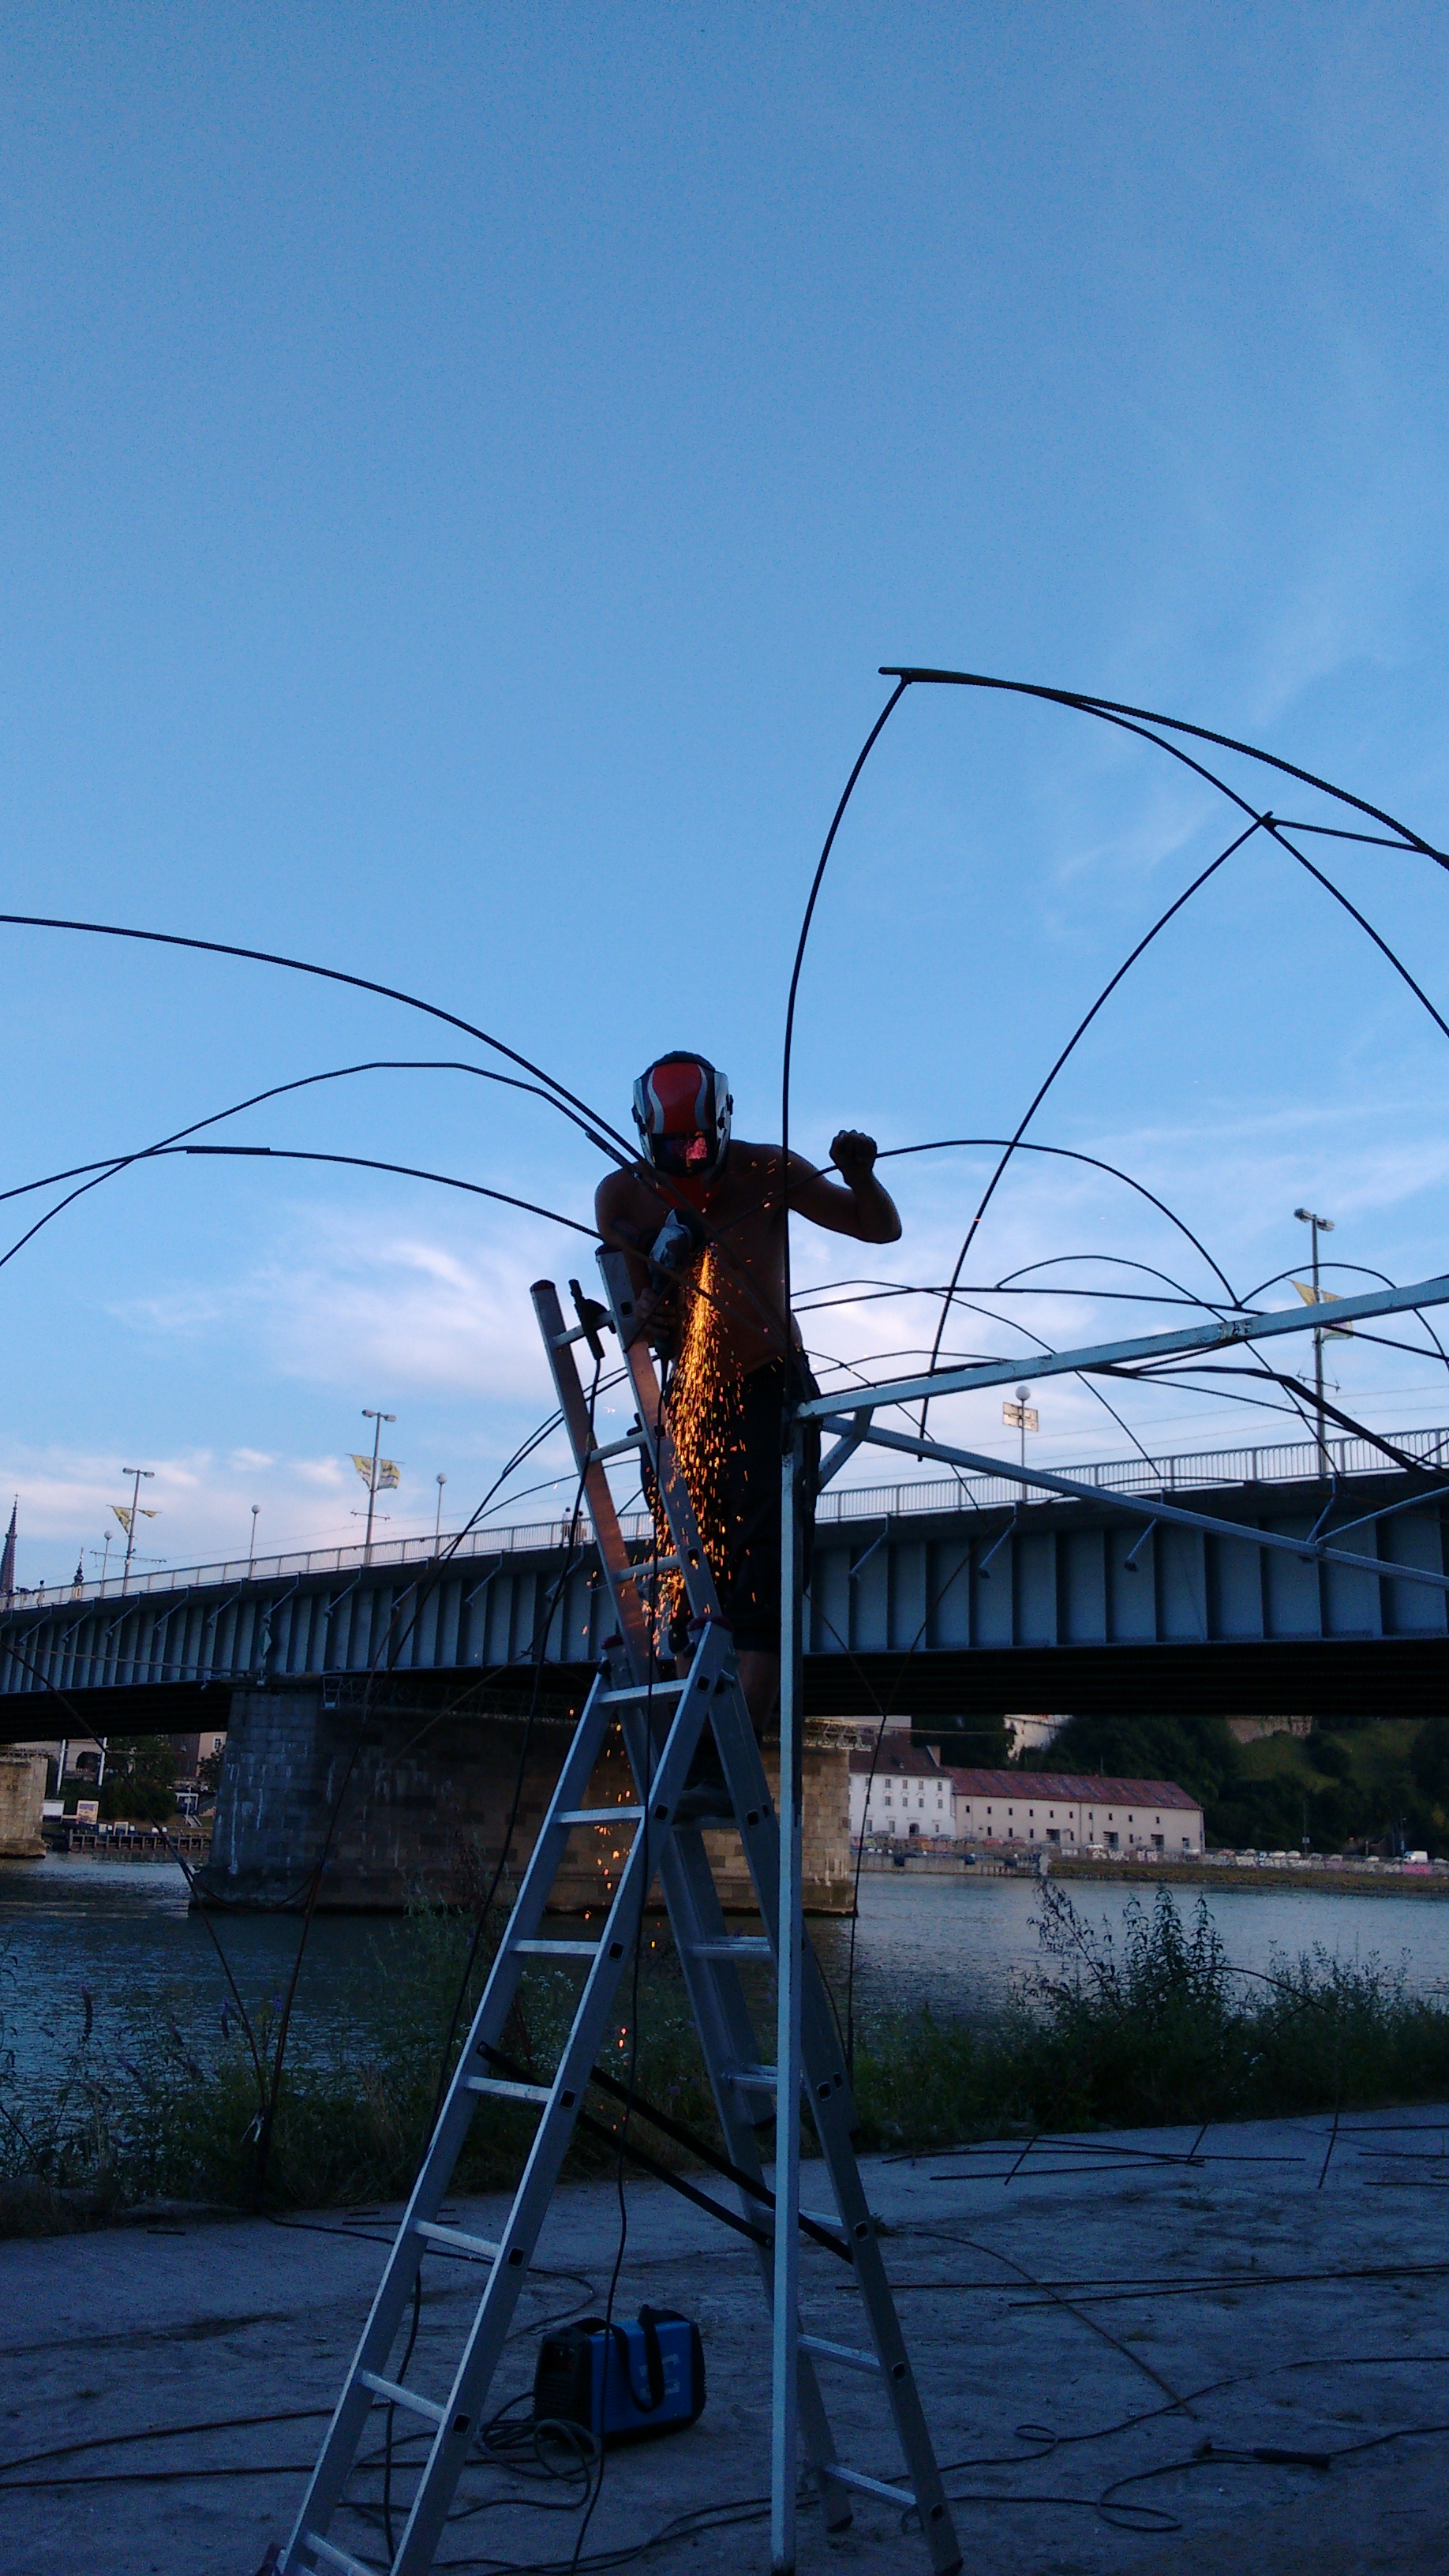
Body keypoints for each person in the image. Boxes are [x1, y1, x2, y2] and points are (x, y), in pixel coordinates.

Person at [595, 1051, 901, 1817]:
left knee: (764, 1579)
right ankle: (688, 1740)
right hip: (688, 1398)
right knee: (685, 1575)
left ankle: (729, 1756)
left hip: (769, 1388)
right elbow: (637, 1321)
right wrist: (653, 1303)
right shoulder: (623, 1197)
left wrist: (860, 1176)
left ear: (722, 1126)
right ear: (646, 1139)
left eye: (701, 1147)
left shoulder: (769, 1171)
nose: (692, 1163)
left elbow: (879, 1228)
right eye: (675, 1152)